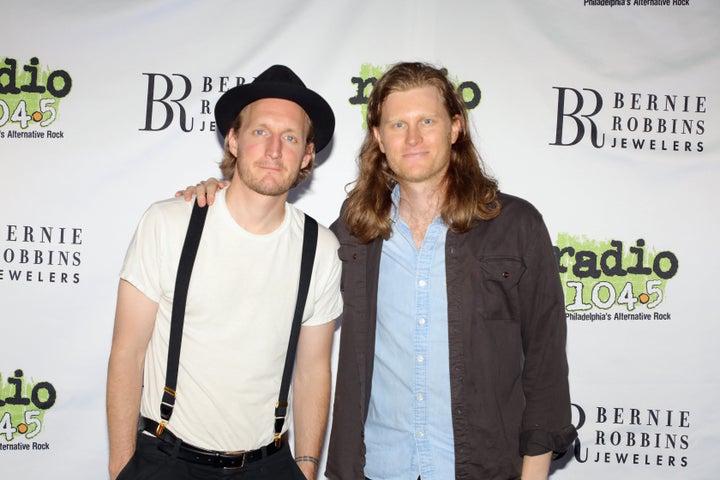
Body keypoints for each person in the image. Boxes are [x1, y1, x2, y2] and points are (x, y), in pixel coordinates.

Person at [182, 61, 577, 480]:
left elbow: (546, 365)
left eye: (427, 120)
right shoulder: (354, 233)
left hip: (485, 469)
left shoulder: (515, 225)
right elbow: (274, 247)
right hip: (376, 469)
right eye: (397, 125)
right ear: (378, 137)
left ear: (455, 128)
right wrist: (226, 194)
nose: (413, 138)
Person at [106, 64, 343, 480]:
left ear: (307, 154)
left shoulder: (319, 248)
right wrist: (122, 468)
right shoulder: (169, 223)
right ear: (233, 139)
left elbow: (312, 369)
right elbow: (128, 353)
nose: (274, 149)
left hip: (268, 465)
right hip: (166, 461)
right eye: (259, 132)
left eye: (290, 137)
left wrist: (305, 468)